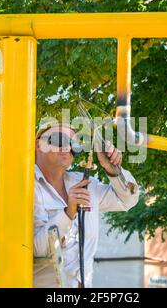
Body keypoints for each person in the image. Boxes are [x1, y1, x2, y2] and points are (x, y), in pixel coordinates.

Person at [33, 119, 139, 288]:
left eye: (74, 144)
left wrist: (113, 170)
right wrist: (68, 213)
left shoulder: (84, 183)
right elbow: (33, 250)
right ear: (39, 145)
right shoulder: (24, 187)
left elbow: (128, 200)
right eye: (59, 140)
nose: (67, 147)